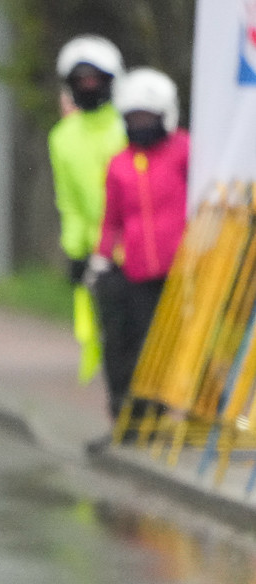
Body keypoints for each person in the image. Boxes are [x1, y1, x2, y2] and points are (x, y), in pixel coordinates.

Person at [86, 67, 189, 420]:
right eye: (133, 118)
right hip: (138, 270)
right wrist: (101, 259)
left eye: (147, 117)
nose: (140, 124)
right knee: (137, 341)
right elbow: (111, 219)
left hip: (182, 267)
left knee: (176, 340)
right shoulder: (120, 164)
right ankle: (139, 411)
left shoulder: (184, 151)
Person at [48, 35, 127, 385]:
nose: (88, 87)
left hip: (137, 249)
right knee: (106, 336)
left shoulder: (127, 126)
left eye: (95, 79)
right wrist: (76, 251)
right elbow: (70, 201)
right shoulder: (63, 137)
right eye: (80, 80)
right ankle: (119, 405)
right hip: (98, 255)